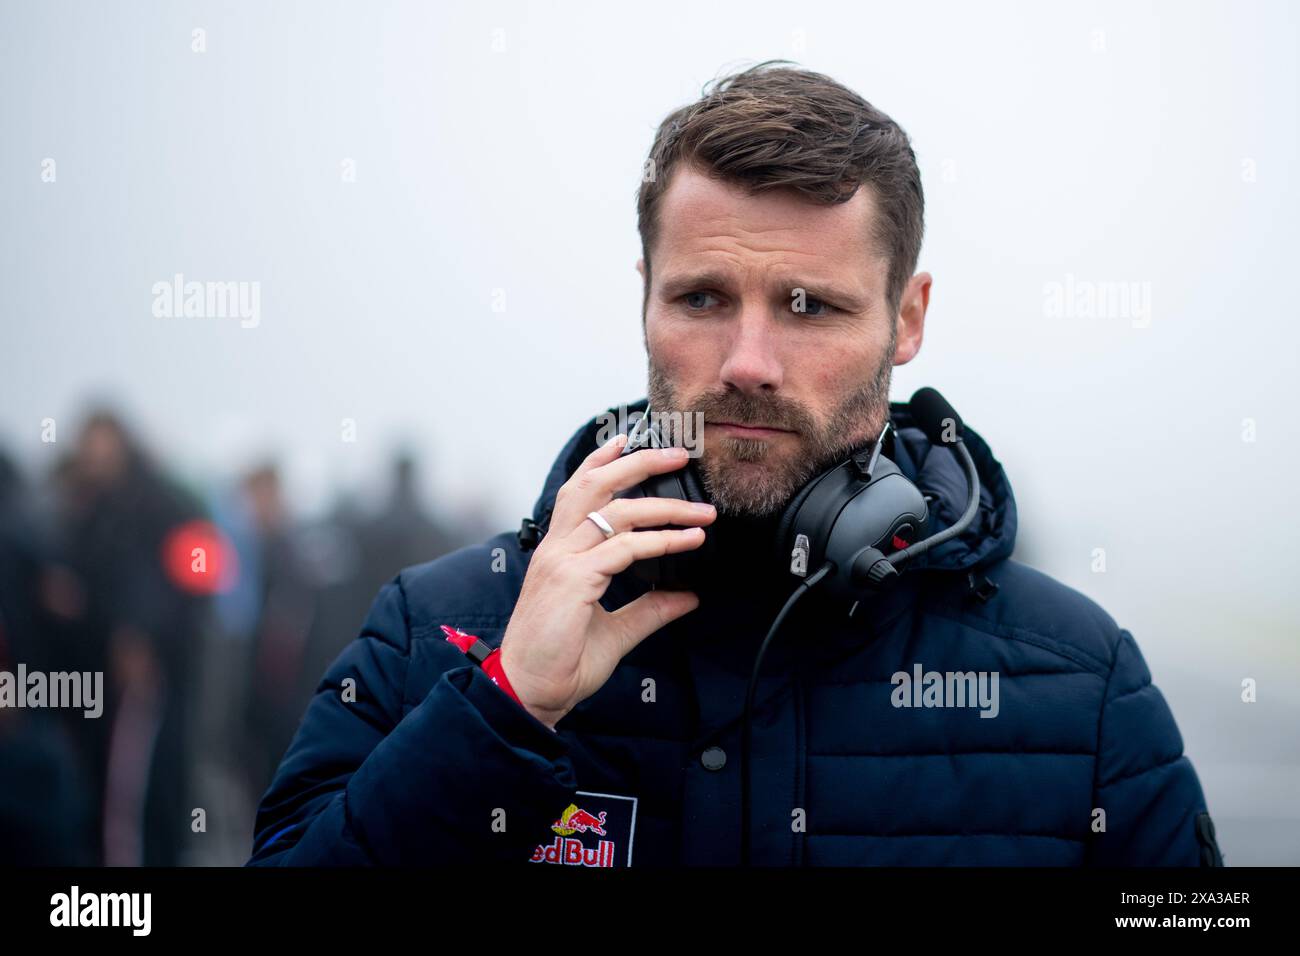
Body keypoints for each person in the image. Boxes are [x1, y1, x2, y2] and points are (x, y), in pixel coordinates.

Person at [248, 61, 1222, 867]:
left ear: (908, 318)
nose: (747, 363)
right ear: (645, 301)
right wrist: (503, 710)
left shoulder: (1084, 690)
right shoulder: (438, 637)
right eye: (703, 299)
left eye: (810, 306)